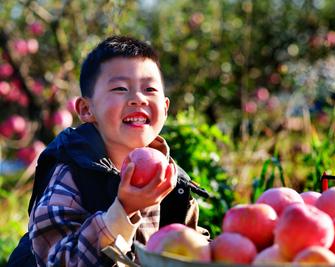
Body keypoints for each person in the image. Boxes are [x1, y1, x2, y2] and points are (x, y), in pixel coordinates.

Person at [7, 35, 209, 267]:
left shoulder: (171, 179)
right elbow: (60, 261)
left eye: (150, 88)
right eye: (120, 88)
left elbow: (189, 244)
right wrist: (123, 210)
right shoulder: (72, 173)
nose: (138, 99)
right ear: (86, 109)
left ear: (165, 108)